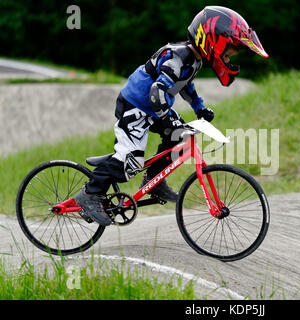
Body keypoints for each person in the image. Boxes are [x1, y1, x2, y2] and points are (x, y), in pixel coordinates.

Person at [74, 6, 269, 226]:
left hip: (155, 105)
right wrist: (167, 120)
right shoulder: (178, 57)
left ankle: (153, 181)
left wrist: (199, 107)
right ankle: (89, 194)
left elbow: (185, 85)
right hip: (136, 105)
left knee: (180, 138)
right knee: (131, 162)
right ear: (213, 41)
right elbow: (157, 90)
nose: (228, 57)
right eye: (228, 51)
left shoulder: (193, 59)